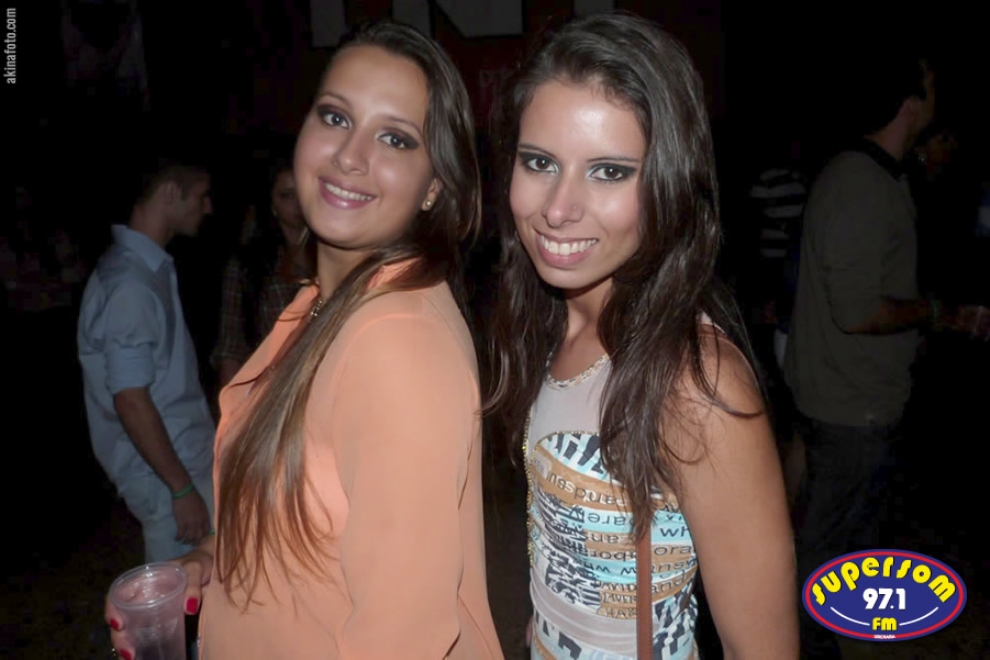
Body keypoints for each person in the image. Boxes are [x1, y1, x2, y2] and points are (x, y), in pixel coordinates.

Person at [107, 21, 503, 660]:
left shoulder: (396, 346)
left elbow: (400, 643)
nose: (350, 155)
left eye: (395, 138)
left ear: (435, 186)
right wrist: (212, 560)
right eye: (335, 117)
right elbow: (313, 521)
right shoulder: (324, 305)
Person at [486, 13, 797, 660]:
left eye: (609, 172)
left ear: (668, 184)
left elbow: (763, 649)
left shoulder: (695, 383)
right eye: (539, 162)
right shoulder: (550, 314)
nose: (558, 208)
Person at [784, 50, 988, 658]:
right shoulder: (860, 184)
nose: (938, 94)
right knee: (831, 553)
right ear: (911, 101)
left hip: (845, 397)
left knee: (833, 540)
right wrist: (938, 313)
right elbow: (856, 311)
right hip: (853, 408)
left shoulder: (877, 172)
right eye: (930, 84)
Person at [78, 159, 216, 563]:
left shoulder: (140, 269)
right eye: (201, 196)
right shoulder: (130, 284)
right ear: (170, 194)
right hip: (166, 474)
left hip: (175, 465)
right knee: (184, 594)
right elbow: (131, 400)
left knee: (200, 587)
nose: (208, 208)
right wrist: (181, 488)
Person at [212, 155, 313, 387]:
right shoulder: (250, 265)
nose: (298, 203)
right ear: (272, 205)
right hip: (272, 385)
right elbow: (231, 345)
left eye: (302, 192)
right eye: (286, 195)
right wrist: (234, 405)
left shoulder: (335, 254)